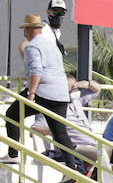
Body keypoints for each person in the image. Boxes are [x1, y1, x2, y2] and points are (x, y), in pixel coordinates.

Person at [7, 14, 78, 170]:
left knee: (12, 114)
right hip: (60, 93)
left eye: (25, 29)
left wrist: (31, 93)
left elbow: (36, 71)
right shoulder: (50, 44)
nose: (24, 32)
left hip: (43, 92)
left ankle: (13, 155)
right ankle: (72, 168)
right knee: (60, 133)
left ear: (28, 29)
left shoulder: (32, 46)